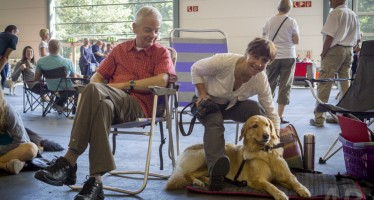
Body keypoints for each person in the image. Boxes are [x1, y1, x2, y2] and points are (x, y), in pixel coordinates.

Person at [34, 6, 175, 200]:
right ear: (134, 27)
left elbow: (162, 81)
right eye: (148, 30)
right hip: (110, 103)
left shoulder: (161, 53)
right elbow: (97, 77)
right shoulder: (120, 50)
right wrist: (108, 89)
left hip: (139, 106)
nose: (154, 35)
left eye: (157, 30)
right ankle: (96, 181)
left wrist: (124, 85)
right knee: (100, 103)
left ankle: (69, 160)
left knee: (94, 91)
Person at [191, 37, 279, 191]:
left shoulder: (260, 79)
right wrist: (203, 94)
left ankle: (258, 156)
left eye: (264, 60)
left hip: (231, 105)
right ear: (247, 53)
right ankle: (216, 172)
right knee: (215, 123)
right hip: (206, 103)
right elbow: (195, 68)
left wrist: (276, 138)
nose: (259, 64)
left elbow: (270, 111)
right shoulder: (223, 62)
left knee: (257, 111)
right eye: (255, 57)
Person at [310, 0, 360, 127]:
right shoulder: (353, 14)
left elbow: (329, 37)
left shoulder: (335, 13)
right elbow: (358, 39)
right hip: (349, 50)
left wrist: (323, 53)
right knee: (345, 84)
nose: (329, 1)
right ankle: (345, 117)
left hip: (335, 51)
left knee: (324, 83)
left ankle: (319, 118)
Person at [263, 0, 300, 124]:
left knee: (269, 85)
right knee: (285, 86)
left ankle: (268, 114)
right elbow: (296, 40)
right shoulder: (291, 21)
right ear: (289, 8)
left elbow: (263, 37)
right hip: (288, 56)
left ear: (278, 7)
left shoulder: (269, 21)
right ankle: (279, 116)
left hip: (273, 56)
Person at [0, 88, 39, 174]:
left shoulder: (7, 109)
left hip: (11, 149)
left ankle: (3, 163)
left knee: (31, 148)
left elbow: (21, 141)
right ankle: (7, 165)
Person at [35, 40, 77, 112]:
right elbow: (75, 79)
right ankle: (75, 108)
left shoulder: (40, 61)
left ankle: (59, 104)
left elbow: (36, 78)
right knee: (79, 87)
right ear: (59, 48)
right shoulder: (68, 61)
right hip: (67, 89)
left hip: (51, 88)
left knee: (60, 85)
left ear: (48, 48)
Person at [0, 25, 19, 90]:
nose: (17, 35)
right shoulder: (14, 37)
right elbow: (6, 57)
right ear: (13, 31)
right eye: (17, 33)